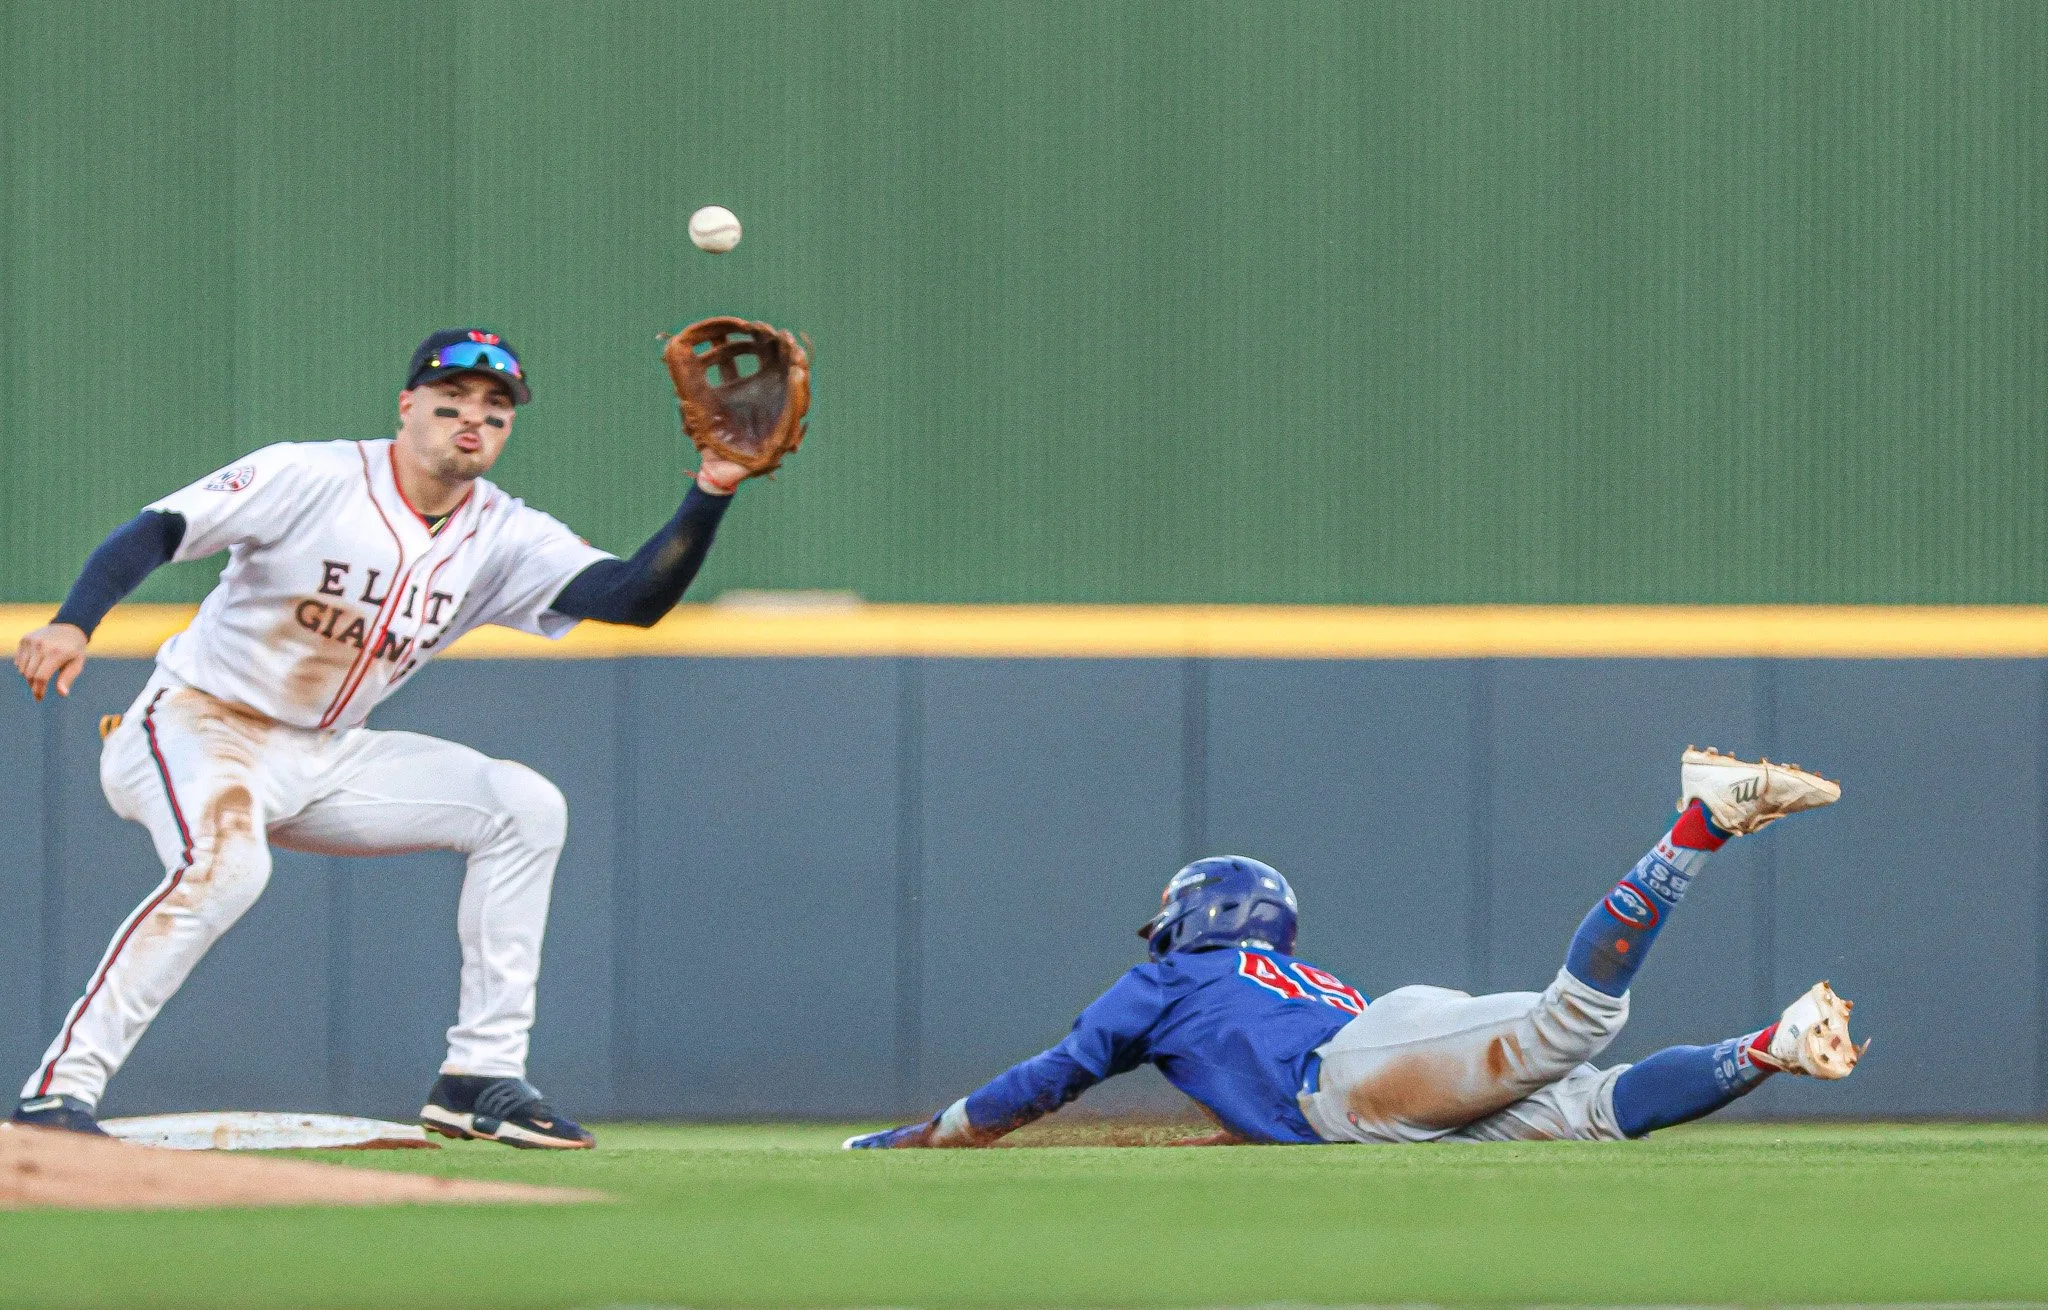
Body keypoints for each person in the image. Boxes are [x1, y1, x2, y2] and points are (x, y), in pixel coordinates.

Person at [12, 328, 760, 1148]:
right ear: (408, 409)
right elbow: (160, 527)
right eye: (451, 404)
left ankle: (479, 1077)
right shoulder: (313, 474)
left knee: (523, 805)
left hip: (326, 754)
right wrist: (75, 623)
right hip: (196, 723)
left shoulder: (504, 532)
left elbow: (631, 597)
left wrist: (713, 489)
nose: (472, 421)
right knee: (227, 867)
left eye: (495, 412)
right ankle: (59, 1093)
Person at [845, 748, 1864, 1149]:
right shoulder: (1286, 973)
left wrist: (924, 1135)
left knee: (1575, 1019)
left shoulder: (1170, 975)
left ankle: (1693, 822)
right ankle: (1769, 1045)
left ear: (1194, 913)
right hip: (1376, 1068)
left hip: (1354, 1071)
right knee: (1595, 1111)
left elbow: (1053, 1071)